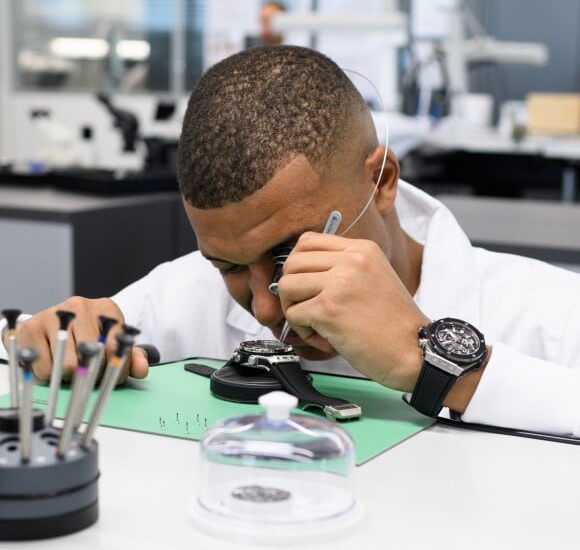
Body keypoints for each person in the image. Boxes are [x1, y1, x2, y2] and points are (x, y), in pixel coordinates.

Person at [4, 45, 580, 436]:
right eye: (230, 266)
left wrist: (431, 362)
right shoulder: (183, 296)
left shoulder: (549, 316)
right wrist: (50, 343)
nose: (264, 306)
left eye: (288, 253)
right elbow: (58, 346)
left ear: (382, 181)